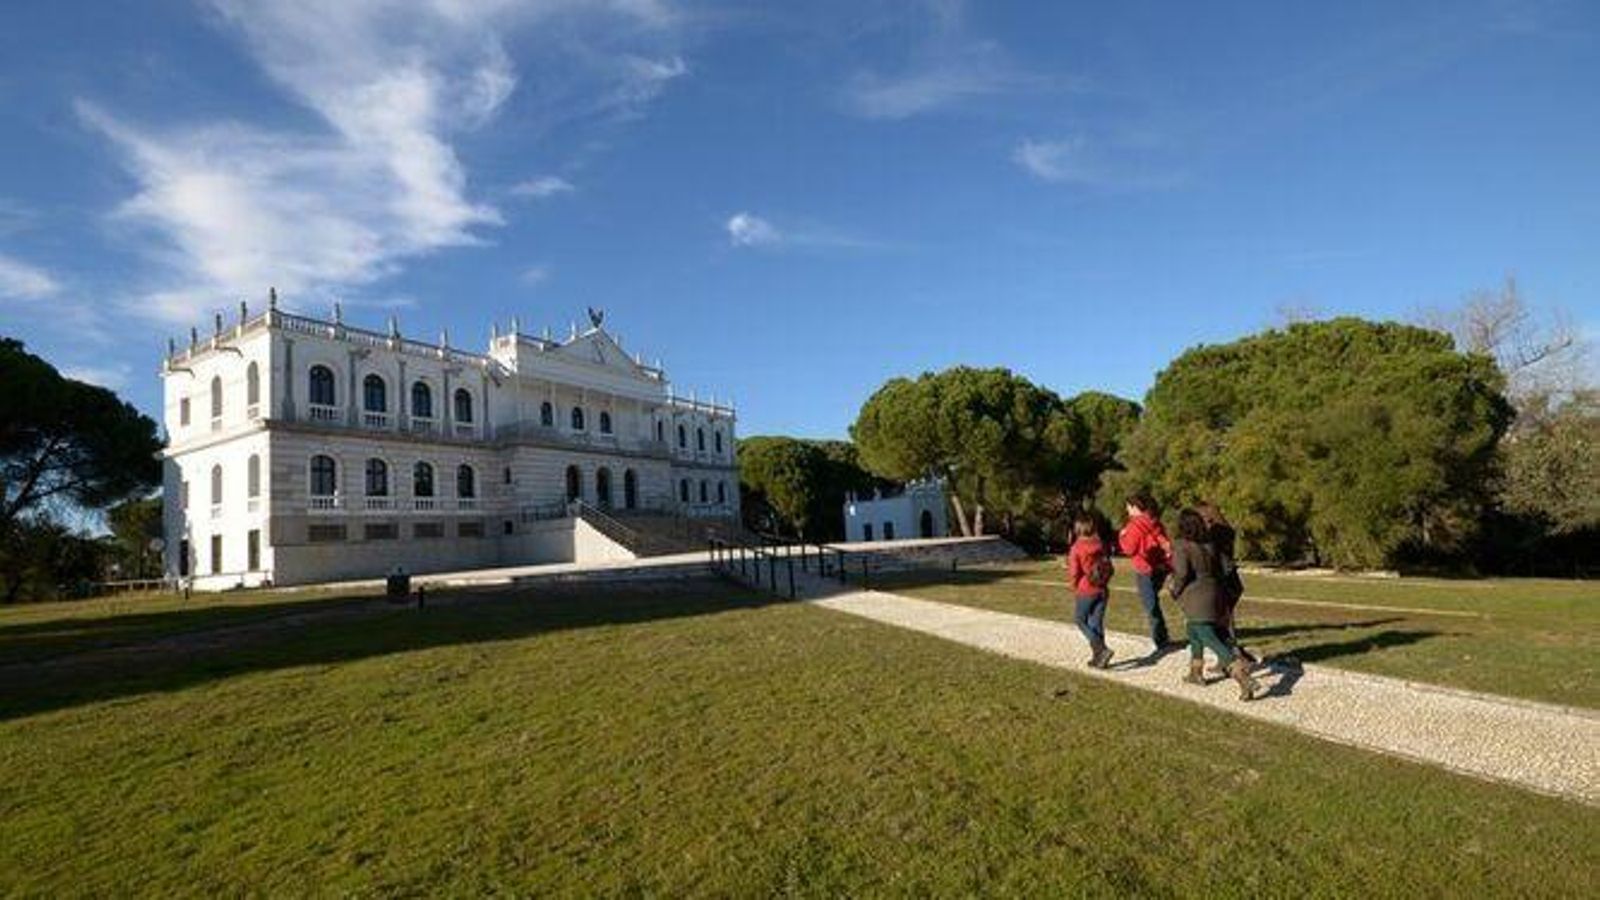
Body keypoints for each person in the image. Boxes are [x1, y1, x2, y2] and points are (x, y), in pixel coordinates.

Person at [1169, 508, 1259, 701]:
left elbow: (1182, 574)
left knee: (1206, 634)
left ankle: (1241, 673)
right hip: (1215, 592)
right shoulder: (1210, 543)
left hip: (1195, 595)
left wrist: (1174, 590)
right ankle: (1196, 672)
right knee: (1193, 631)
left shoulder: (1181, 545)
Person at [1196, 502, 1256, 672]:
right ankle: (1229, 658)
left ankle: (1238, 660)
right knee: (1223, 625)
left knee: (1222, 626)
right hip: (1231, 582)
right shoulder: (1225, 530)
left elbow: (1213, 559)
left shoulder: (1215, 533)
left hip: (1223, 582)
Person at [1118, 493, 1172, 654]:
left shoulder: (1134, 525)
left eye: (1128, 507)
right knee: (1154, 601)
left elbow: (1129, 549)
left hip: (1145, 568)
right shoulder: (1155, 521)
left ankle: (1160, 639)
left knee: (1150, 605)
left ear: (1135, 507)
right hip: (1160, 566)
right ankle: (1163, 635)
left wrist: (1121, 537)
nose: (1127, 510)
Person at [1066, 512, 1114, 669]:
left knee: (1080, 620)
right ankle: (1099, 658)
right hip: (1102, 588)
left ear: (1077, 528)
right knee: (1096, 623)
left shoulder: (1077, 548)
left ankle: (1101, 650)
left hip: (1086, 589)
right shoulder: (1100, 543)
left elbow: (1074, 572)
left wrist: (1073, 586)